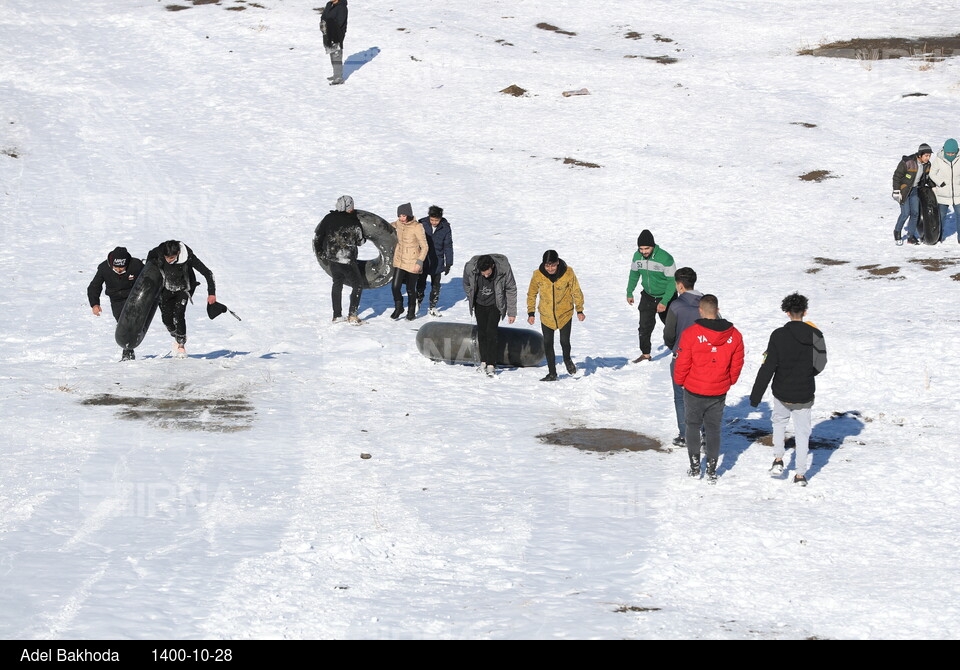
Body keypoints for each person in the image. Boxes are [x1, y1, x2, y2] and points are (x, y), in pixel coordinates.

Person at [749, 293, 827, 487]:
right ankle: (800, 474)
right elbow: (821, 362)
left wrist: (756, 395)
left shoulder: (778, 335)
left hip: (782, 392)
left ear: (786, 312)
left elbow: (768, 366)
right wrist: (808, 374)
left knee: (779, 424)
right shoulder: (816, 335)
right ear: (805, 311)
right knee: (802, 433)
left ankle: (778, 459)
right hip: (805, 392)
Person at [673, 294, 744, 482]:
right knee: (713, 429)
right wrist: (729, 381)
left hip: (694, 389)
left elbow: (682, 362)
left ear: (701, 311)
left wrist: (680, 380)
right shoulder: (734, 335)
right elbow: (737, 363)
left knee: (692, 426)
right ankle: (712, 470)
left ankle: (695, 467)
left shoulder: (690, 334)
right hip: (718, 390)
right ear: (718, 310)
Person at [145, 240, 216, 357]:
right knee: (167, 320)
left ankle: (181, 345)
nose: (169, 260)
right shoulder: (158, 251)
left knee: (179, 314)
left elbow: (208, 273)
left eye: (172, 257)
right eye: (166, 257)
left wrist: (211, 293)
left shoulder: (188, 257)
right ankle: (176, 335)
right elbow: (148, 264)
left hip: (184, 289)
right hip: (166, 289)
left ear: (178, 253)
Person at [526, 250, 585, 382]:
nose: (550, 268)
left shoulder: (568, 272)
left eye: (553, 265)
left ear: (558, 263)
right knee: (548, 343)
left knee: (564, 341)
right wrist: (531, 312)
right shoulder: (537, 275)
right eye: (547, 266)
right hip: (546, 315)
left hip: (564, 313)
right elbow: (531, 293)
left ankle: (567, 359)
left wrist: (579, 310)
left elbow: (576, 291)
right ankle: (552, 373)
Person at [662, 267, 702, 446]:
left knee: (680, 396)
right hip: (704, 358)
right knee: (701, 396)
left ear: (679, 285)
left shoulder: (676, 305)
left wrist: (674, 347)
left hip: (681, 357)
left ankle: (685, 435)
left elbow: (669, 334)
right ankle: (703, 433)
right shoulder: (707, 303)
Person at [626, 229, 676, 362]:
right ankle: (645, 354)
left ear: (653, 246)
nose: (643, 251)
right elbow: (634, 274)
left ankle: (680, 350)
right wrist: (629, 292)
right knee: (644, 326)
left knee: (672, 326)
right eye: (641, 248)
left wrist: (665, 301)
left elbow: (672, 282)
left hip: (667, 296)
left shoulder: (665, 258)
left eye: (646, 248)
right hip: (648, 296)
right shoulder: (637, 256)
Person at [463, 254, 517, 377]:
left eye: (488, 273)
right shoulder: (470, 268)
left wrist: (512, 312)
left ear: (492, 266)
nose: (486, 276)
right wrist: (471, 296)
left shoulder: (503, 269)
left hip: (495, 305)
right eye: (483, 274)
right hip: (479, 304)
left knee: (491, 332)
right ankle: (483, 361)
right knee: (481, 332)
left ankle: (491, 364)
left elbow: (511, 288)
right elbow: (466, 284)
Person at [87, 246, 144, 361]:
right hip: (116, 299)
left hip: (134, 296)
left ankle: (128, 350)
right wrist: (95, 304)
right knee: (122, 323)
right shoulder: (104, 268)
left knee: (133, 322)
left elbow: (148, 278)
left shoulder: (136, 265)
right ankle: (128, 351)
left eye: (122, 268)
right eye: (116, 267)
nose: (119, 270)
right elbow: (94, 287)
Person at [315, 195, 365, 323]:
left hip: (332, 258)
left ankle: (337, 315)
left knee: (337, 283)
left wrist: (321, 252)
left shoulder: (328, 218)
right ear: (349, 207)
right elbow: (360, 241)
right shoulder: (353, 222)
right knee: (358, 285)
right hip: (347, 259)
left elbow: (319, 236)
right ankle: (352, 315)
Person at [389, 203, 428, 321]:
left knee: (410, 289)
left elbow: (425, 247)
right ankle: (399, 306)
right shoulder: (398, 224)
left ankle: (411, 311)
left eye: (403, 216)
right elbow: (388, 226)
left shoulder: (417, 226)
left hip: (413, 262)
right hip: (399, 260)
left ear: (409, 215)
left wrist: (419, 262)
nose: (401, 218)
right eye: (399, 216)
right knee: (395, 287)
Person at [416, 205, 454, 316]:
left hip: (437, 261)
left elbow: (448, 246)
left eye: (436, 220)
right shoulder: (422, 224)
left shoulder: (445, 227)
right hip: (423, 260)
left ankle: (432, 306)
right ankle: (418, 302)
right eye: (432, 219)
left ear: (440, 218)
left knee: (436, 285)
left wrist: (449, 263)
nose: (434, 222)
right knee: (420, 283)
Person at [892, 143, 933, 245]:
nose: (928, 158)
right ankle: (897, 232)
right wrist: (896, 191)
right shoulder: (908, 162)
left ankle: (910, 236)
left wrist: (934, 186)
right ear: (920, 155)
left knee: (915, 213)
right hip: (904, 191)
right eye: (926, 156)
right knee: (905, 213)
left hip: (915, 190)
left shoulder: (927, 165)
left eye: (929, 156)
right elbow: (897, 176)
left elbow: (927, 178)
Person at [929, 138, 960, 243]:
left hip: (958, 195)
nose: (950, 155)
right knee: (941, 217)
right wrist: (940, 183)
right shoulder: (939, 159)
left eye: (953, 153)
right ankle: (938, 236)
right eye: (948, 153)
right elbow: (932, 173)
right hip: (943, 194)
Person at [320, 0, 348, 85]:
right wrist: (323, 25)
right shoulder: (329, 5)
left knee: (336, 53)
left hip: (337, 33)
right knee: (331, 52)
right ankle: (335, 74)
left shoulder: (342, 7)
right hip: (328, 32)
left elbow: (340, 21)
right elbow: (323, 17)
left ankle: (338, 77)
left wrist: (329, 25)